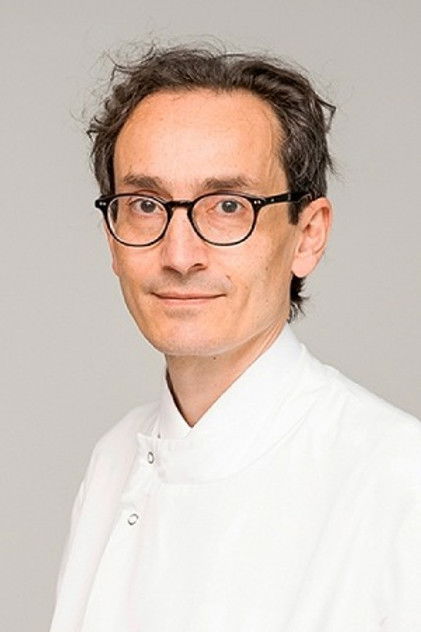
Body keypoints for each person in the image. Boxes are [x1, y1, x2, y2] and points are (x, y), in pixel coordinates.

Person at [50, 45, 421, 632]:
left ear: (307, 235)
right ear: (111, 236)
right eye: (145, 204)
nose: (180, 255)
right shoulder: (113, 459)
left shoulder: (399, 480)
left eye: (228, 205)